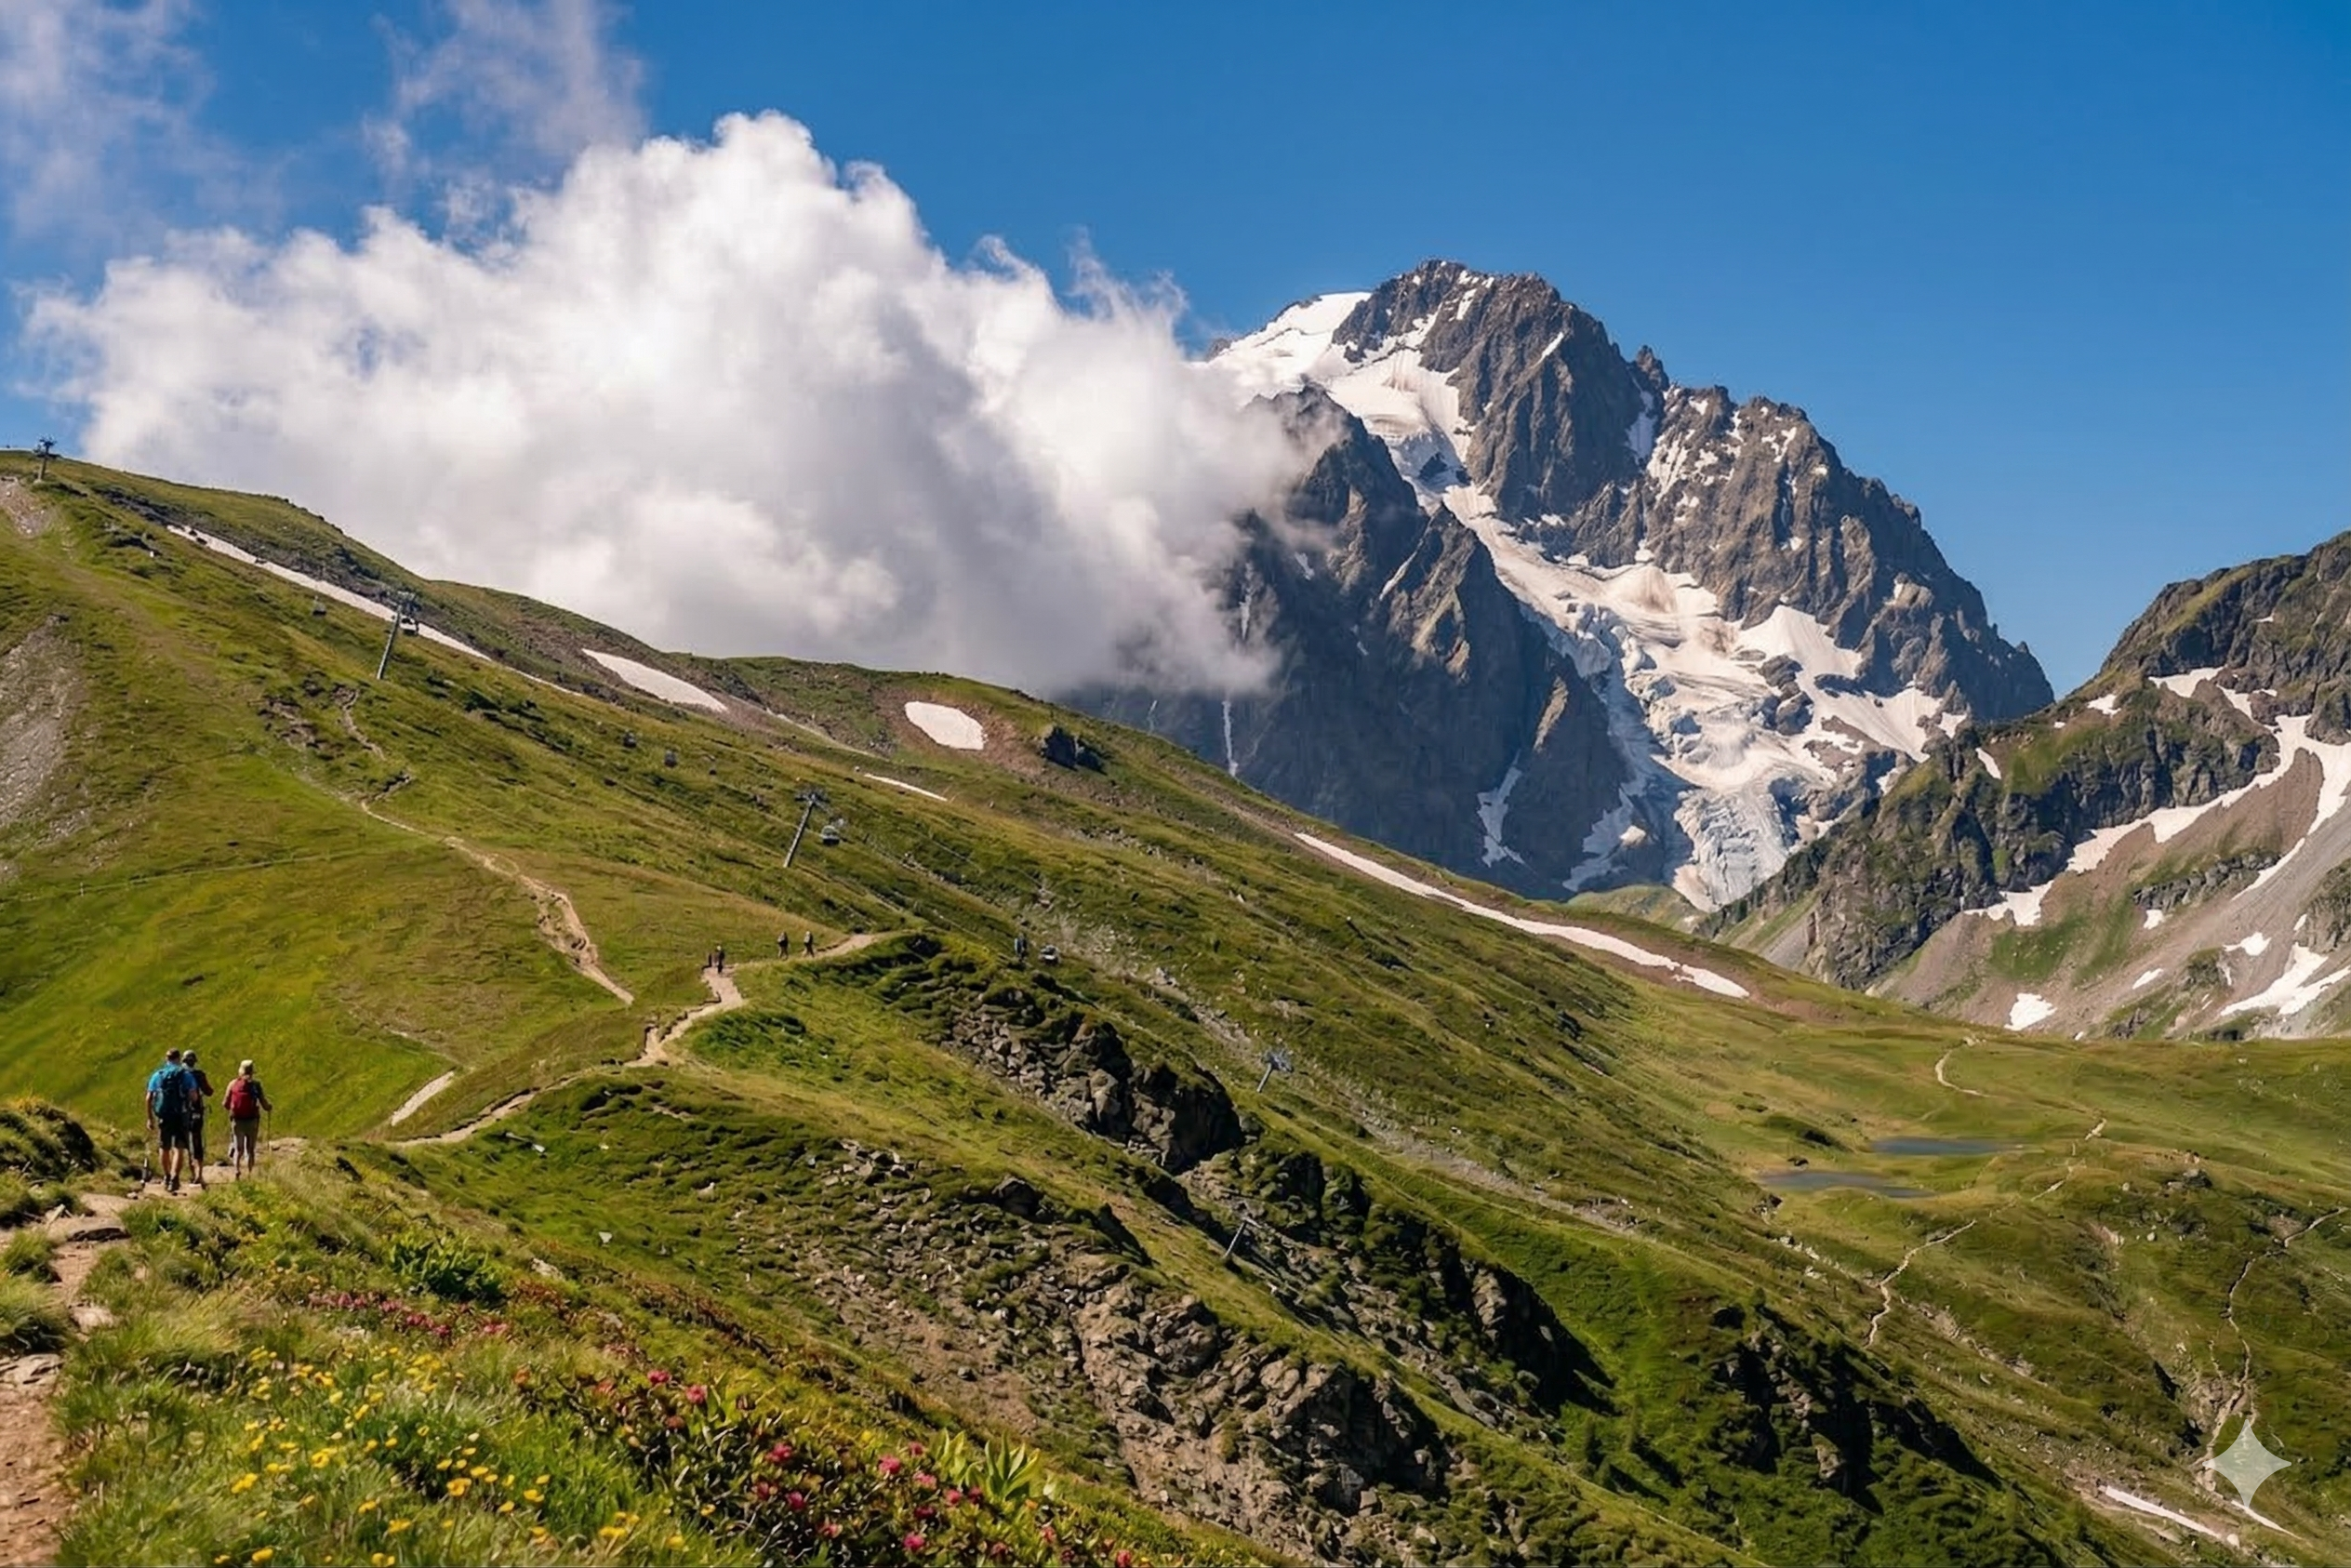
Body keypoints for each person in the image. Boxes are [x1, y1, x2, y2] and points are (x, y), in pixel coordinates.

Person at [143, 1048, 196, 1193]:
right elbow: (194, 1097)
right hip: (181, 1115)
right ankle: (174, 1178)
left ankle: (166, 1176)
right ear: (179, 1059)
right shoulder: (185, 1075)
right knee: (179, 1148)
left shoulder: (158, 1075)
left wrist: (150, 1118)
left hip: (164, 1115)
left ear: (166, 1059)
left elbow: (149, 1098)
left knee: (164, 1147)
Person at [223, 1059, 272, 1178]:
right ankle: (250, 1174)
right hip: (252, 1120)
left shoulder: (233, 1084)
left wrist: (233, 1110)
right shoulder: (256, 1085)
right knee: (250, 1149)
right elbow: (264, 1104)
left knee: (238, 1148)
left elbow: (225, 1103)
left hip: (237, 1120)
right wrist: (269, 1107)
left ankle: (237, 1170)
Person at [183, 1050, 215, 1187]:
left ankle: (189, 1172)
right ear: (194, 1062)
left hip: (181, 1113)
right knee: (197, 1141)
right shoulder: (198, 1075)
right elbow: (209, 1091)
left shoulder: (178, 1075)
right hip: (196, 1111)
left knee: (183, 1143)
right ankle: (199, 1175)